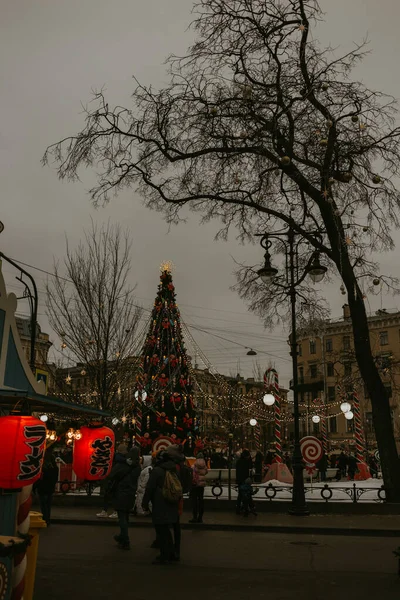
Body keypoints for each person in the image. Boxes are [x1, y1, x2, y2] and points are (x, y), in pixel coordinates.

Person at [142, 451, 181, 565]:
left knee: (161, 530)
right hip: (172, 502)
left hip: (160, 503)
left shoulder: (157, 471)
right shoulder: (174, 470)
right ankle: (172, 553)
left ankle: (165, 555)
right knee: (167, 530)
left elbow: (150, 488)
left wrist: (145, 503)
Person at [108, 446, 141, 550]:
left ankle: (125, 539)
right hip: (130, 493)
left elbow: (113, 474)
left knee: (122, 516)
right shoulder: (137, 467)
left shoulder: (123, 465)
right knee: (125, 515)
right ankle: (122, 536)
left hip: (121, 492)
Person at [97, 443, 129, 519]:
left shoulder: (116, 457)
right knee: (114, 496)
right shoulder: (124, 460)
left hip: (112, 478)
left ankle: (105, 511)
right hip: (117, 479)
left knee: (108, 495)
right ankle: (114, 511)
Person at [35, 448, 59, 526]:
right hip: (50, 489)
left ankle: (45, 519)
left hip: (42, 489)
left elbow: (39, 479)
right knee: (48, 505)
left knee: (43, 505)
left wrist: (35, 487)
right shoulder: (55, 468)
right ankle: (48, 519)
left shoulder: (42, 468)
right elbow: (55, 479)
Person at [190, 452, 208, 524]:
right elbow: (206, 472)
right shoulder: (204, 466)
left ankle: (194, 517)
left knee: (194, 501)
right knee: (201, 500)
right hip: (201, 485)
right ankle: (200, 517)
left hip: (195, 484)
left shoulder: (194, 466)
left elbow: (191, 473)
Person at [235, 449, 252, 514]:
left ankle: (239, 508)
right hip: (244, 481)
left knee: (240, 495)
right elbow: (248, 469)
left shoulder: (239, 461)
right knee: (246, 495)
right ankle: (246, 508)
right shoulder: (245, 462)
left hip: (240, 481)